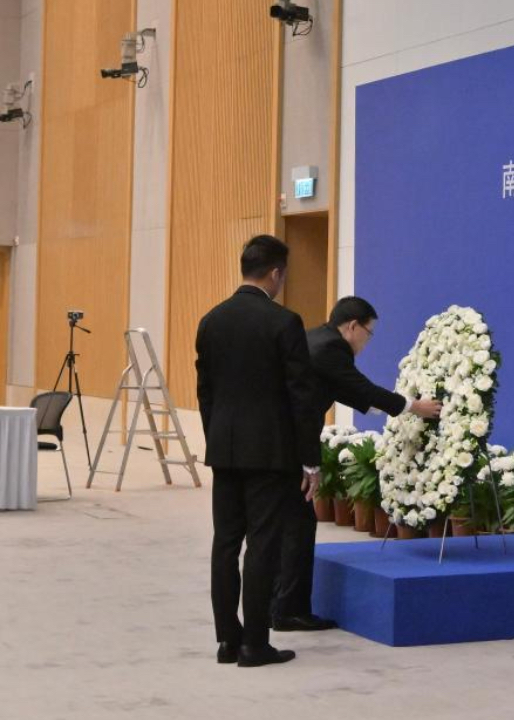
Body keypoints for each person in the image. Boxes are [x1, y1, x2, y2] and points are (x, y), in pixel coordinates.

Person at [271, 296, 441, 632]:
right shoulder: (334, 349)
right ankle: (289, 611)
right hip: (289, 446)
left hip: (273, 443)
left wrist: (396, 408)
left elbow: (349, 392)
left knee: (284, 526)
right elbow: (360, 387)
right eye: (369, 332)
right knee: (298, 526)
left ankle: (275, 605)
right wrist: (413, 406)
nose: (368, 341)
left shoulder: (314, 339)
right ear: (352, 327)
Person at [196, 235, 321, 667]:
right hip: (271, 454)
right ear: (275, 273)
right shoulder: (284, 323)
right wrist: (310, 459)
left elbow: (205, 393)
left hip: (224, 451)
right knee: (263, 544)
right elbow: (301, 398)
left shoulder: (211, 321)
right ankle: (255, 643)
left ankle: (227, 641)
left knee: (225, 543)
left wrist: (218, 438)